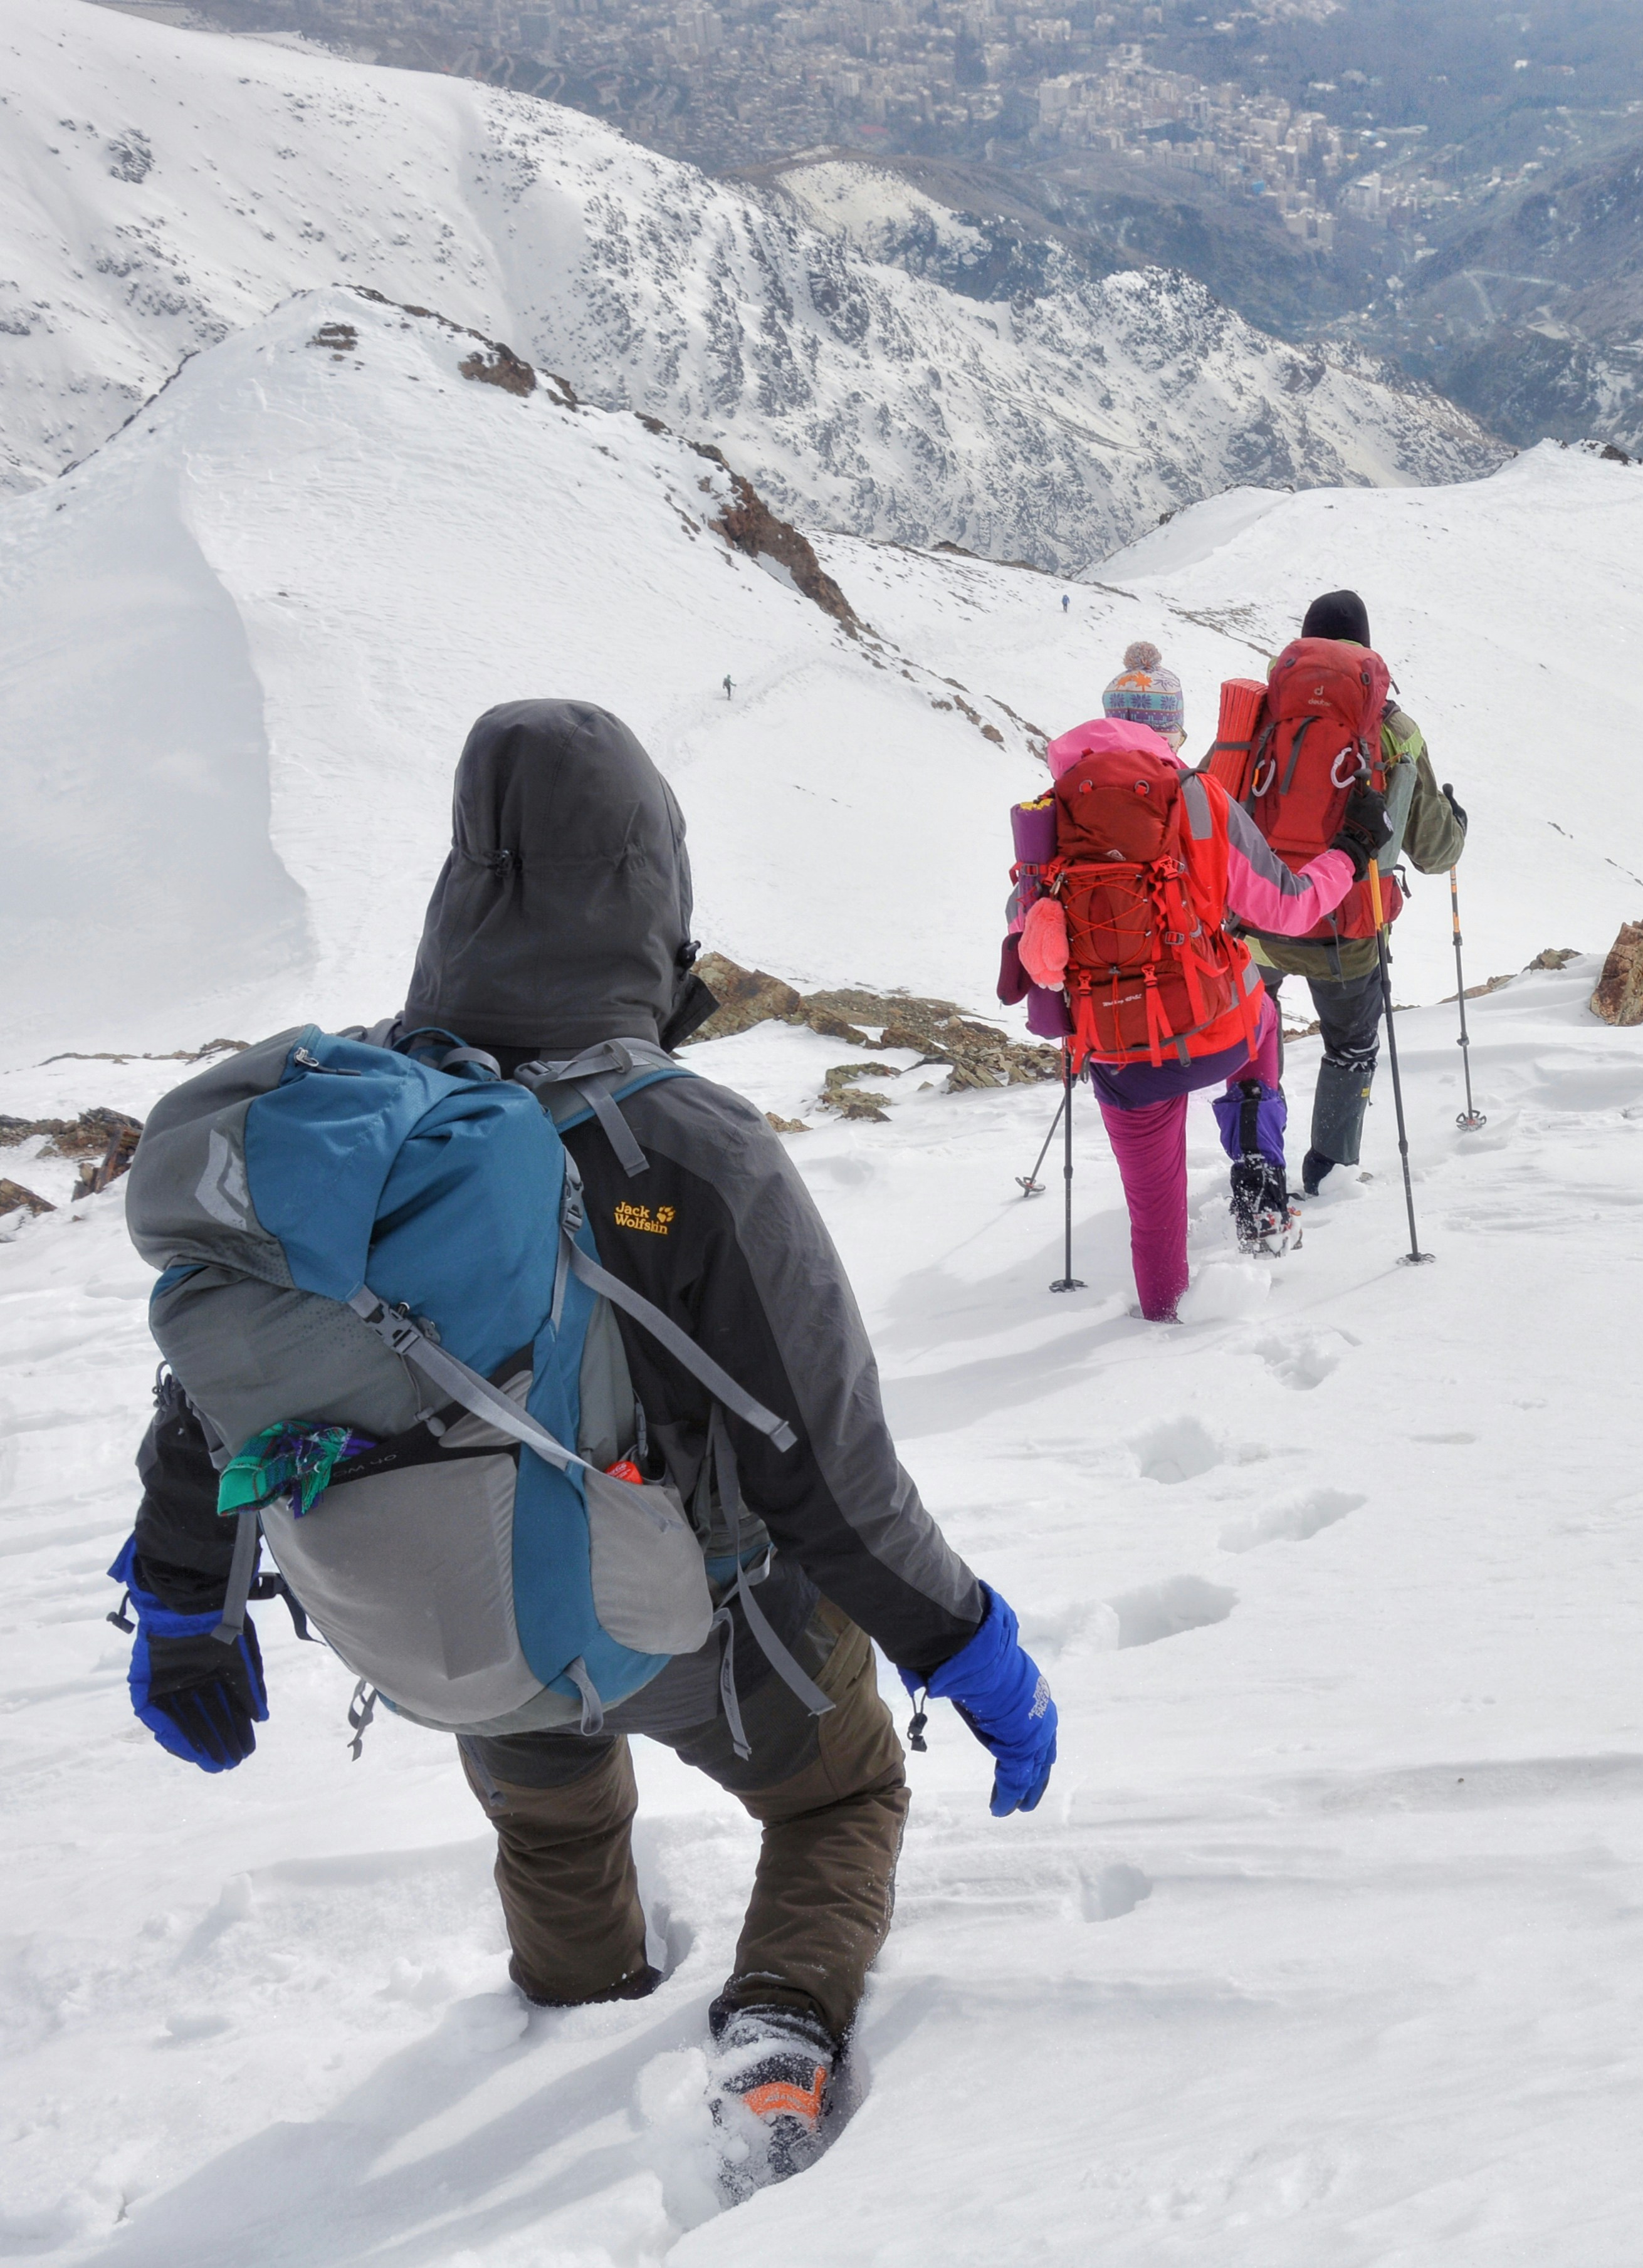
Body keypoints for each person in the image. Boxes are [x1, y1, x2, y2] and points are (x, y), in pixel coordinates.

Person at [108, 699, 1055, 2196]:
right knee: (839, 1795)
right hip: (701, 1625)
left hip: (461, 1618)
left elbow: (213, 1396)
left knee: (552, 1820)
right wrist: (969, 1647)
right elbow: (829, 1476)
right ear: (648, 892)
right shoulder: (691, 1149)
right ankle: (776, 2036)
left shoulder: (357, 1129)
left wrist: (183, 1610)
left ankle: (574, 2001)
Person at [1011, 643, 1382, 1318]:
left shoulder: (1048, 814)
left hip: (1119, 1051)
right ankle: (1259, 1169)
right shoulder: (1200, 798)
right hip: (1217, 1033)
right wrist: (1348, 856)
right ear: (1173, 734)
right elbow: (1288, 907)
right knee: (1261, 1012)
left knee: (1154, 1211)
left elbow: (1028, 931)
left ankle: (1161, 1321)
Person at [1236, 590, 1467, 1198]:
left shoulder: (1257, 715)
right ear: (1365, 648)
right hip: (1348, 928)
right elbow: (1433, 851)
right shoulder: (1393, 731)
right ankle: (1330, 1172)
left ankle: (1256, 1164)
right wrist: (1457, 825)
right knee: (1350, 1045)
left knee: (1255, 1036)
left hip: (1257, 918)